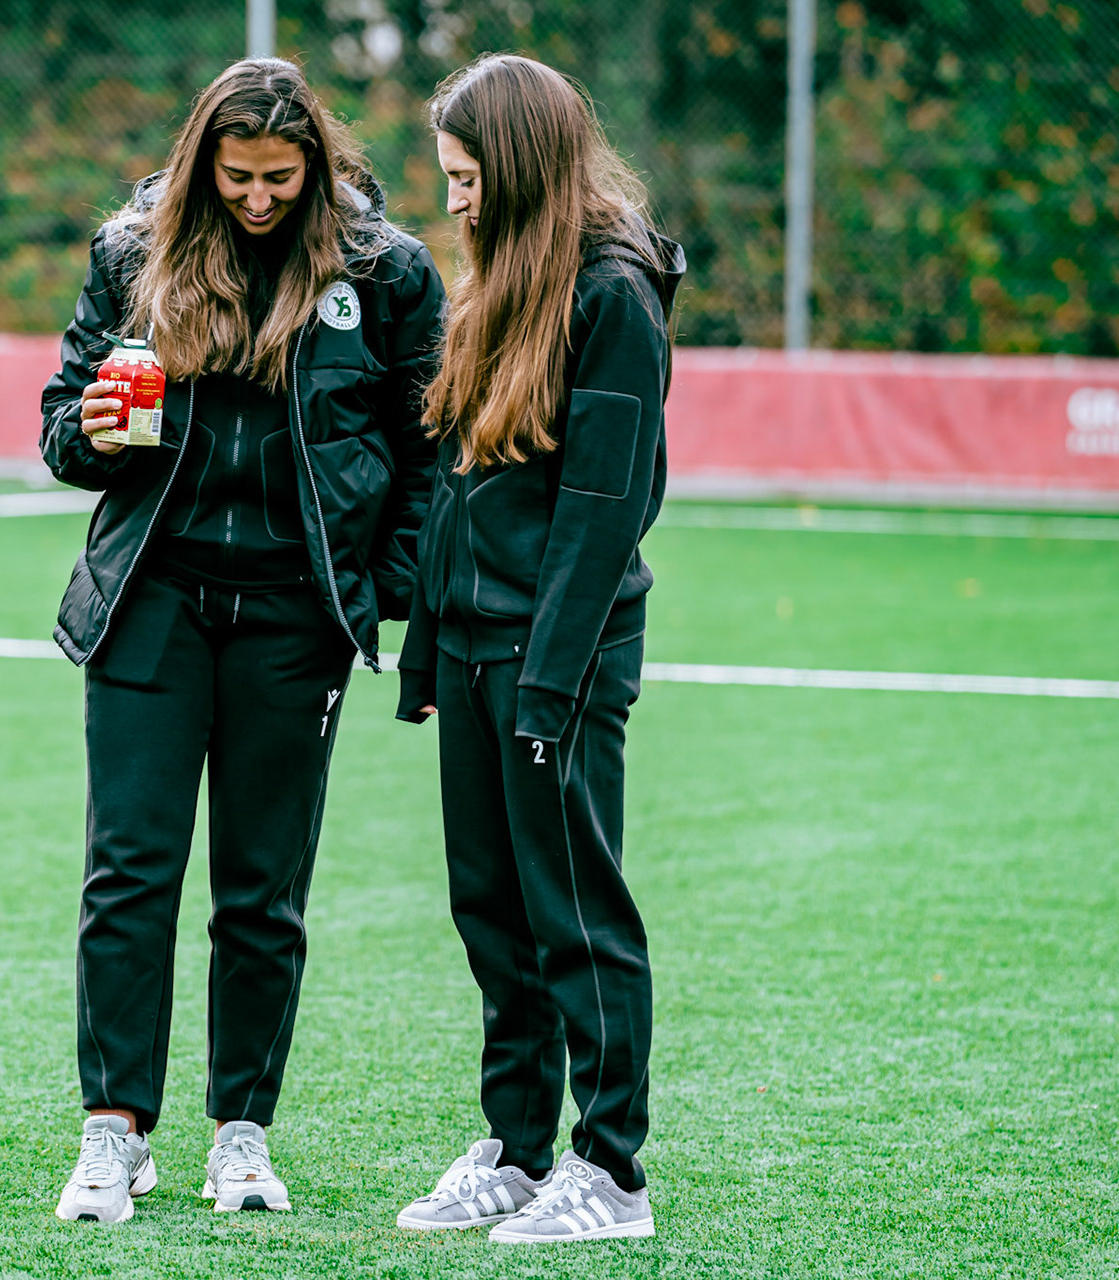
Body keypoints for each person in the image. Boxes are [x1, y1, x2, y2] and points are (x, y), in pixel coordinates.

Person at [39, 57, 445, 1223]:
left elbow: (427, 446)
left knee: (263, 890)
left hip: (295, 616)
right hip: (152, 601)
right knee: (129, 872)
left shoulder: (387, 271)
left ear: (314, 164)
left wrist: (382, 586)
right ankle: (114, 1131)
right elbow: (62, 426)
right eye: (236, 176)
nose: (258, 198)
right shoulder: (133, 252)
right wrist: (95, 431)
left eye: (279, 177)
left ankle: (242, 1135)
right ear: (201, 164)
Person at [390, 54, 684, 1243]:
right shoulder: (498, 279)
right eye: (448, 177)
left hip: (554, 659)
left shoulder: (614, 294)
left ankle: (611, 1170)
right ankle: (516, 1148)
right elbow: (455, 481)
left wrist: (548, 684)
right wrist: (426, 652)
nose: (454, 200)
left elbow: (605, 512)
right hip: (471, 649)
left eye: (468, 178)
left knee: (573, 910)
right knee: (491, 912)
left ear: (518, 168)